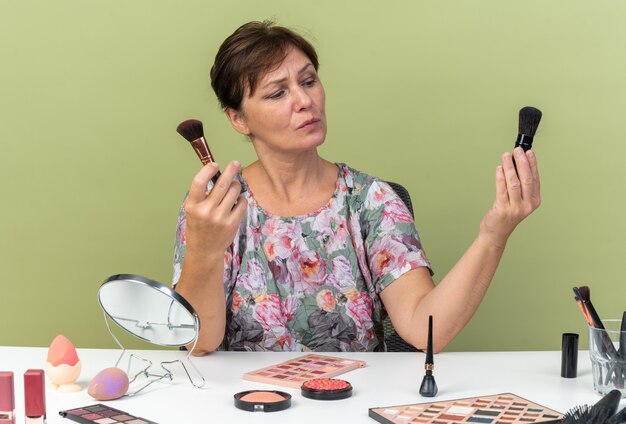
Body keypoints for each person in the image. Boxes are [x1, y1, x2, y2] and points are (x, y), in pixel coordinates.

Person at [172, 21, 541, 354]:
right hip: (247, 404)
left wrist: (494, 235)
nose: (304, 101)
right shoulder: (216, 210)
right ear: (238, 119)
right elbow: (199, 341)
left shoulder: (371, 201)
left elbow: (428, 330)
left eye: (308, 80)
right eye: (277, 93)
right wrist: (203, 249)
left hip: (353, 402)